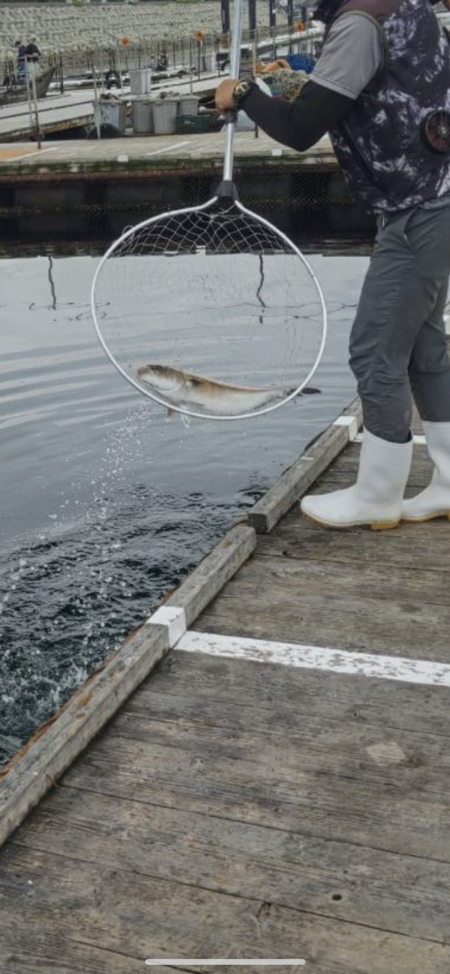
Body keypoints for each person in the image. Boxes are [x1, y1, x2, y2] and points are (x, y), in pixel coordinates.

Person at [216, 0, 450, 530]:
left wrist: (246, 95)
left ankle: (378, 495)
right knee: (423, 348)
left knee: (375, 350)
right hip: (438, 198)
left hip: (417, 211)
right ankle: (447, 482)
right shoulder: (408, 6)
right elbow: (372, 88)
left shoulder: (358, 23)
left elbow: (300, 130)